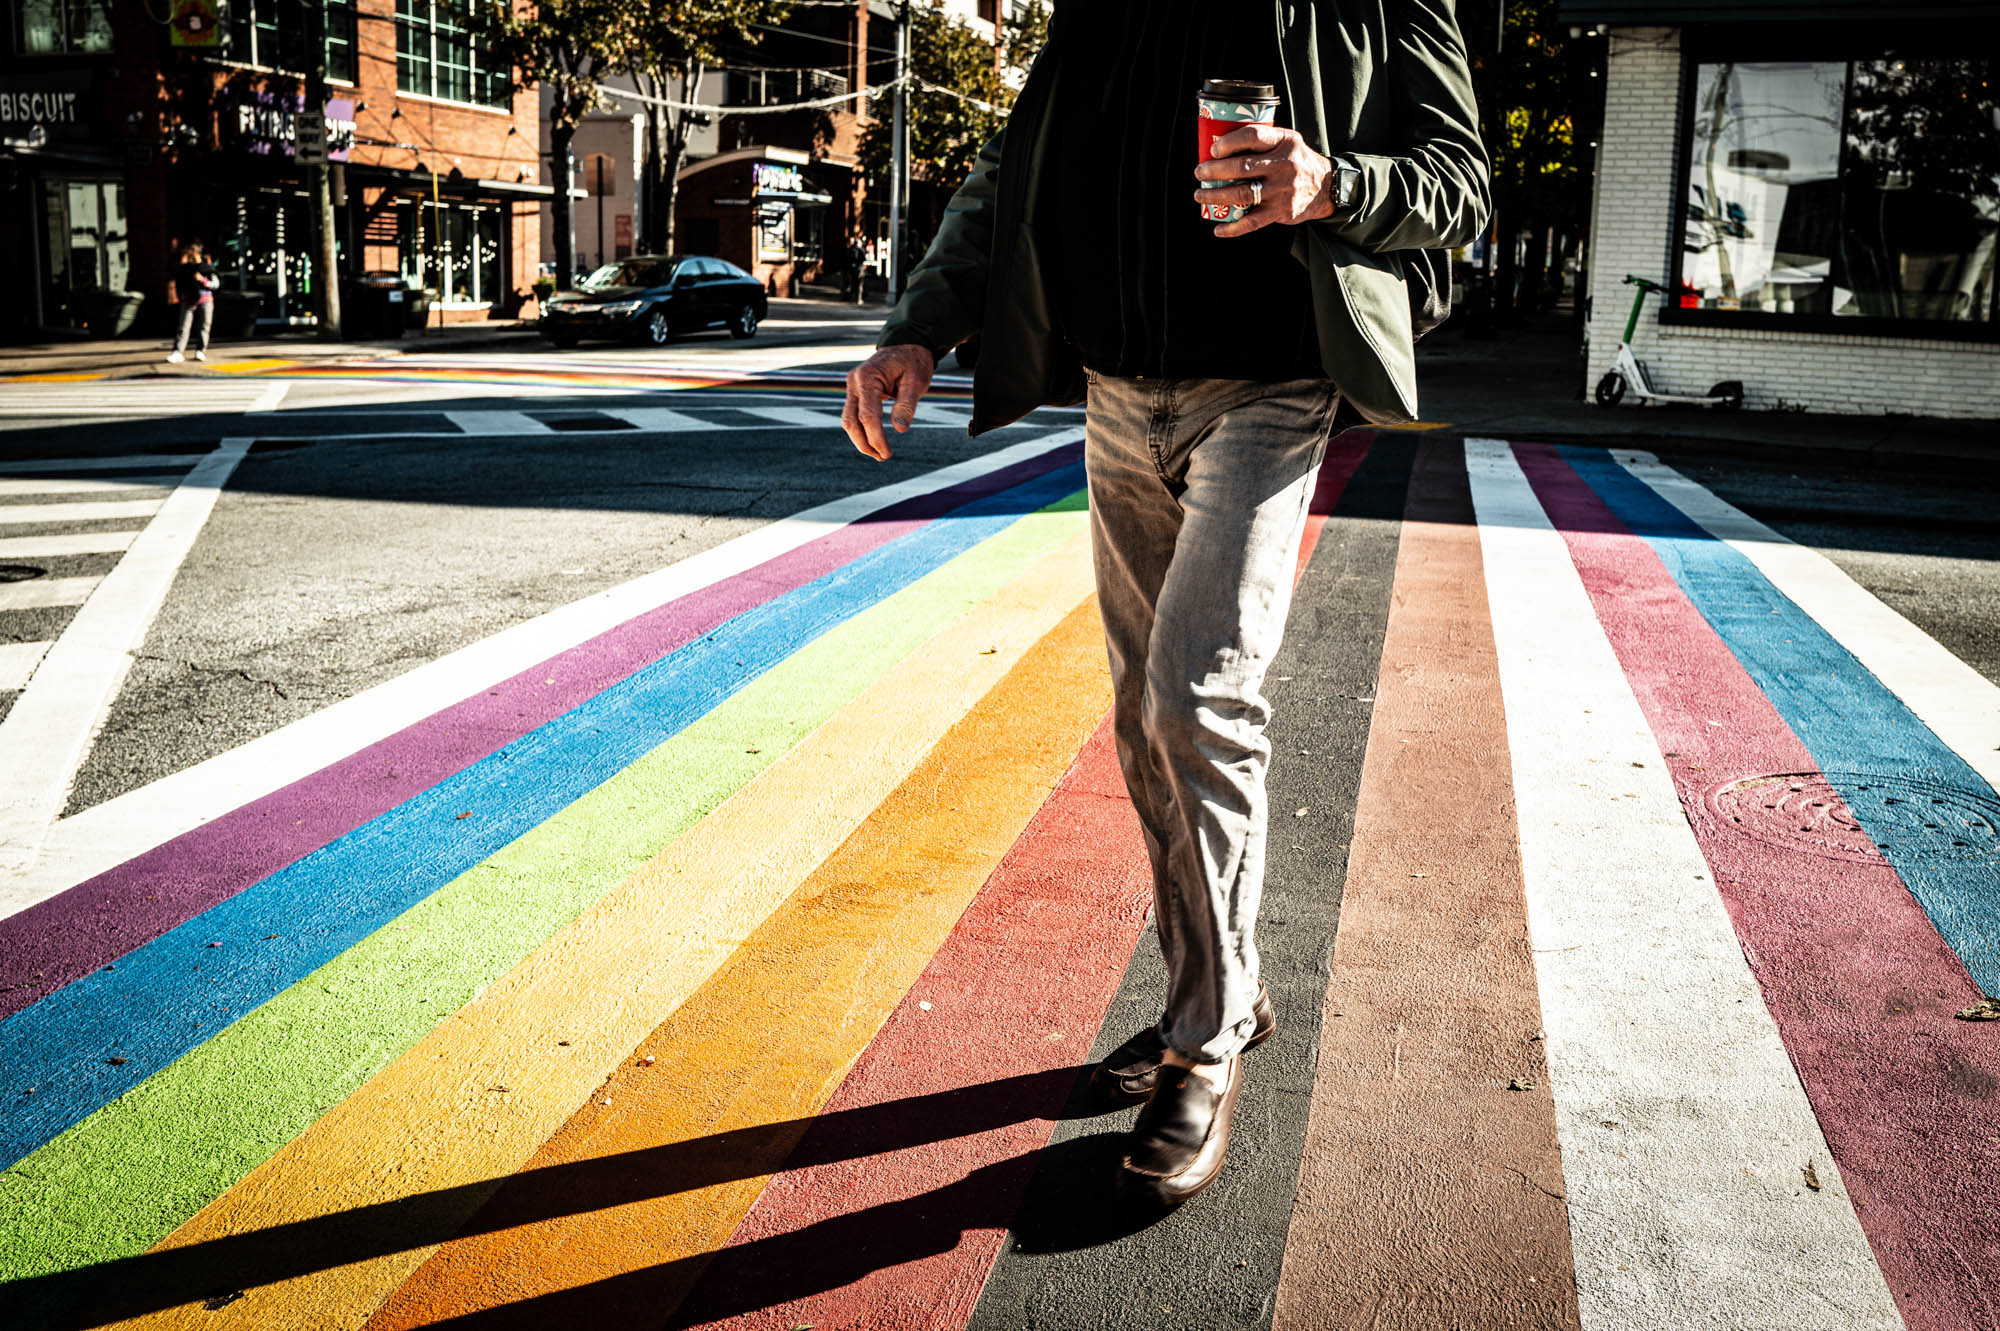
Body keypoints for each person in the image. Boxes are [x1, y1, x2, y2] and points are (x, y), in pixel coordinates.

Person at [840, 0, 1489, 1206]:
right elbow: (1008, 170)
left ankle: (1203, 1041)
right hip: (1114, 398)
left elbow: (1461, 182)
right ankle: (1223, 979)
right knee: (1146, 715)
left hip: (1272, 389)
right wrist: (919, 327)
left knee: (1197, 697)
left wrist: (1331, 182)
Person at [166, 240, 218, 364]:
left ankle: (200, 350)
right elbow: (179, 282)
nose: (190, 254)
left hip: (206, 300)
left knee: (204, 326)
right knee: (183, 327)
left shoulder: (207, 268)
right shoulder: (184, 268)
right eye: (189, 251)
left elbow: (216, 284)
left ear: (198, 253)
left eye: (193, 251)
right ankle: (178, 352)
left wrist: (202, 280)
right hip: (188, 300)